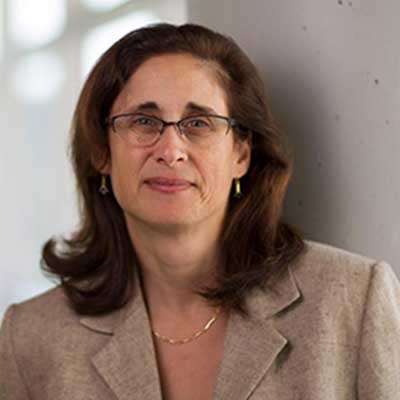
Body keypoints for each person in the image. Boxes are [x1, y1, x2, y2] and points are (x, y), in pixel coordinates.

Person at [0, 23, 399, 400]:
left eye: (198, 123)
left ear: (241, 153)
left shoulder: (351, 299)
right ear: (102, 152)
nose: (171, 150)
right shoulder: (31, 338)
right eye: (144, 121)